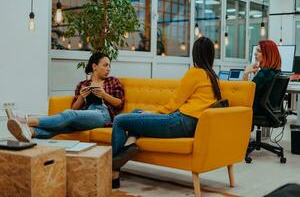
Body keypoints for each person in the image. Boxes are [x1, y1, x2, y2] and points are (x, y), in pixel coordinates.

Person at [111, 37, 222, 173]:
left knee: (120, 120)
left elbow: (175, 103)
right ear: (211, 55)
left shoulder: (195, 72)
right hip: (191, 124)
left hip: (180, 122)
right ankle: (130, 143)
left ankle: (113, 172)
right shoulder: (213, 77)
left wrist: (154, 113)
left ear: (195, 54)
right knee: (136, 112)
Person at [6, 52, 125, 142]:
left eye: (109, 65)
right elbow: (75, 109)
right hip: (87, 114)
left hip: (103, 116)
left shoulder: (112, 81)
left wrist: (104, 95)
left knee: (68, 114)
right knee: (64, 126)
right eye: (105, 65)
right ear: (94, 66)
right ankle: (29, 133)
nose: (109, 68)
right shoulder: (83, 85)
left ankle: (24, 120)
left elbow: (119, 103)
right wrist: (81, 97)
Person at [243, 40, 281, 115]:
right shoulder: (277, 72)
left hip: (258, 110)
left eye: (259, 51)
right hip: (269, 109)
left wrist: (246, 73)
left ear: (268, 54)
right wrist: (256, 75)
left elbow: (246, 93)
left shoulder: (264, 73)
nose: (255, 53)